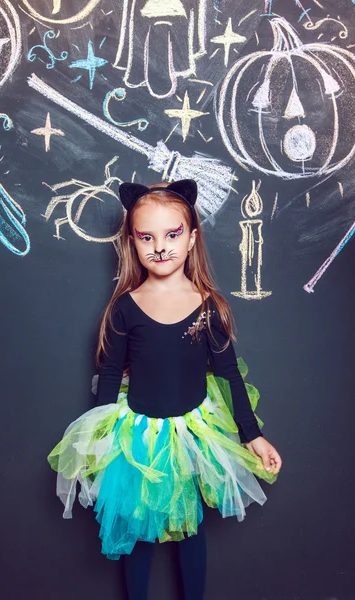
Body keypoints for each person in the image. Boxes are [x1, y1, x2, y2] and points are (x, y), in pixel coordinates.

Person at [47, 178, 282, 599]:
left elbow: (228, 375)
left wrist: (253, 435)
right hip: (137, 439)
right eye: (146, 237)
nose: (160, 246)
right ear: (131, 243)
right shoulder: (124, 307)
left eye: (172, 234)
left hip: (190, 437)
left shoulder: (209, 307)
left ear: (192, 238)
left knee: (188, 529)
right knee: (135, 530)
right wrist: (97, 442)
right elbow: (109, 374)